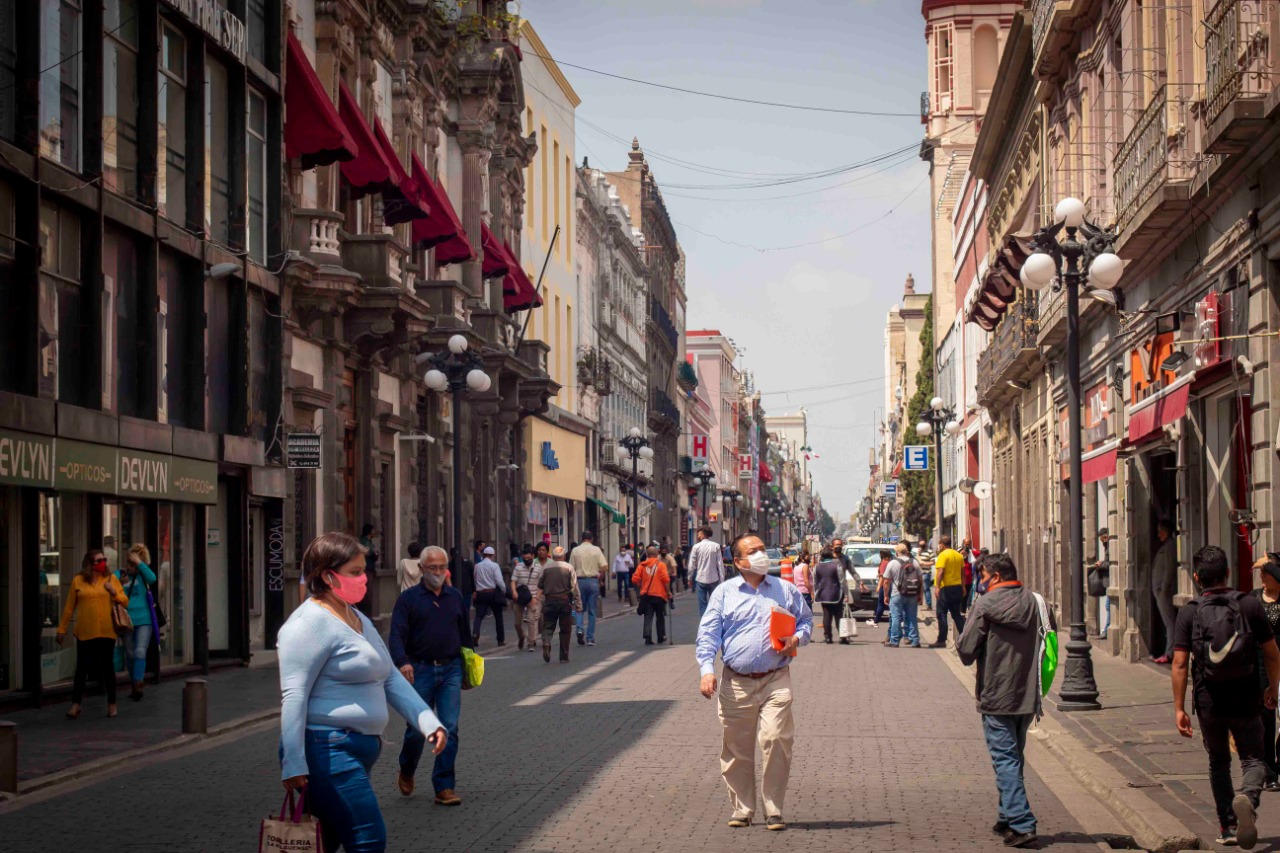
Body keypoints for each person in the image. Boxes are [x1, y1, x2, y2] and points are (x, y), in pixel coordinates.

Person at [278, 532, 447, 853]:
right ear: (327, 575)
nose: (364, 578)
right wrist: (293, 762)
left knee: (326, 840)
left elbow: (391, 678)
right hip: (328, 750)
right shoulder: (307, 625)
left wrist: (428, 722)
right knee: (368, 838)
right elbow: (294, 695)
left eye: (363, 570)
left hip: (356, 750)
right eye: (354, 572)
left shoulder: (355, 617)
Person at [695, 534, 813, 832]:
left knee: (776, 739)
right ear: (738, 562)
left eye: (762, 549)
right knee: (737, 749)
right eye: (754, 551)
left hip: (776, 678)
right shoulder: (724, 593)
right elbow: (708, 635)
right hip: (736, 682)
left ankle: (774, 809)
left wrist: (797, 638)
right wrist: (707, 670)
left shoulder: (785, 590)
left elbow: (806, 621)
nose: (762, 555)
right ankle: (743, 808)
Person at [1173, 545, 1280, 849]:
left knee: (1218, 761)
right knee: (1253, 758)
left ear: (1196, 577)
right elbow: (1272, 653)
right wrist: (1272, 688)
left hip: (1209, 700)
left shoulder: (1190, 612)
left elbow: (1179, 663)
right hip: (1246, 696)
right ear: (1228, 572)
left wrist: (1179, 708)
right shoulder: (1250, 605)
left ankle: (1229, 827)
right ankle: (1248, 796)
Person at [956, 553, 1050, 849]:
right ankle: (1006, 816)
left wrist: (964, 633)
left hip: (997, 693)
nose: (981, 582)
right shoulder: (1036, 602)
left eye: (983, 577)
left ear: (995, 576)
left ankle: (1022, 823)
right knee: (1013, 757)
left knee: (1005, 759)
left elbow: (966, 651)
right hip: (1027, 693)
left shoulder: (985, 604)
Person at [390, 545, 472, 807]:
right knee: (417, 730)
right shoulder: (408, 599)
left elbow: (465, 635)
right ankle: (407, 768)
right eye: (432, 567)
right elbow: (396, 635)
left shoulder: (454, 597)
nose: (437, 572)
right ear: (421, 568)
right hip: (420, 670)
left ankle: (444, 786)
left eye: (441, 567)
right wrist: (402, 662)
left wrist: (468, 668)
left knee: (449, 727)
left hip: (451, 669)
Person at [57, 549, 130, 719]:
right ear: (90, 564)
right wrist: (61, 629)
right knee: (82, 668)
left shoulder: (111, 579)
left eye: (104, 560)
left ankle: (112, 703)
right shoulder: (78, 581)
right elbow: (69, 607)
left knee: (107, 667)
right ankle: (76, 704)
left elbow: (125, 601)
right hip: (85, 631)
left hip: (106, 630)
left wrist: (114, 592)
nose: (103, 563)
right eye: (99, 560)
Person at [1250, 554, 1280, 791]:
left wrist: (1268, 563)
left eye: (1266, 573)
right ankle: (1269, 772)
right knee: (1266, 721)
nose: (1262, 576)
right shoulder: (1253, 599)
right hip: (1261, 667)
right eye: (1261, 573)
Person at [118, 544, 158, 701]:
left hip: (144, 619)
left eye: (132, 564)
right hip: (126, 620)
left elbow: (153, 578)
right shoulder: (121, 575)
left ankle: (138, 683)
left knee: (140, 651)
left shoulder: (143, 576)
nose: (129, 567)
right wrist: (120, 582)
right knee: (129, 654)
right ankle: (134, 682)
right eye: (128, 563)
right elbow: (111, 584)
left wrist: (139, 563)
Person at [538, 546, 582, 662]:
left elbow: (540, 584)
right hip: (564, 601)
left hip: (549, 601)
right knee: (565, 629)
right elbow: (574, 588)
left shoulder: (546, 567)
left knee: (548, 626)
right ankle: (564, 656)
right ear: (564, 556)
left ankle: (546, 642)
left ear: (553, 556)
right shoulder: (569, 568)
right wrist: (578, 604)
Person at [570, 531, 608, 646]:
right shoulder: (597, 550)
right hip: (593, 581)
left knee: (579, 608)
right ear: (592, 539)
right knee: (592, 611)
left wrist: (572, 584)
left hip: (579, 581)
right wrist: (599, 580)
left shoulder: (575, 550)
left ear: (582, 538)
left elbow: (571, 568)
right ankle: (590, 638)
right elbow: (604, 567)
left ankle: (579, 628)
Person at [884, 543, 924, 648]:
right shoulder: (914, 562)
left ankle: (894, 640)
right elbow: (921, 580)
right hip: (912, 593)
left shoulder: (893, 563)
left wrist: (886, 595)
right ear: (907, 551)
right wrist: (920, 595)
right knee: (912, 617)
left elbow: (886, 581)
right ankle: (914, 640)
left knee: (896, 618)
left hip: (897, 594)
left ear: (897, 552)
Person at [931, 535, 968, 649]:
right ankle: (965, 639)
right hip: (957, 588)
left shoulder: (943, 555)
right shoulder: (958, 555)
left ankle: (942, 640)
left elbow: (941, 572)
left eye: (939, 544)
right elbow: (963, 573)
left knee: (941, 613)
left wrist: (937, 587)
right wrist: (963, 586)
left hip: (945, 588)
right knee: (956, 614)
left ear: (942, 544)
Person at [634, 545, 672, 645]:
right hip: (659, 595)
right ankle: (660, 636)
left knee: (648, 616)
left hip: (646, 595)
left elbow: (635, 579)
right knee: (660, 616)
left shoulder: (642, 566)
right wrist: (668, 591)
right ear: (657, 554)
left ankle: (647, 637)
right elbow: (666, 579)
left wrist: (641, 586)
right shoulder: (661, 565)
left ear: (647, 554)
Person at [470, 546, 506, 647]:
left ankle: (475, 634)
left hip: (481, 593)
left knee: (478, 616)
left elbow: (475, 578)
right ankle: (500, 640)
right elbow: (499, 581)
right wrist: (504, 590)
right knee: (498, 617)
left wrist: (476, 589)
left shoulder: (477, 566)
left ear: (484, 554)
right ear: (493, 555)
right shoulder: (494, 566)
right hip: (492, 593)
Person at [1151, 522, 1176, 663]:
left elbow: (1170, 569)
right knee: (1168, 623)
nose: (1158, 534)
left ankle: (1169, 653)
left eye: (1160, 531)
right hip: (1160, 591)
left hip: (1164, 592)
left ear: (1166, 531)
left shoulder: (1170, 546)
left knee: (1169, 623)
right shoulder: (1166, 546)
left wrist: (1164, 589)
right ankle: (1168, 652)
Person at [511, 545, 544, 652]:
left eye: (529, 558)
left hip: (532, 598)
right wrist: (514, 591)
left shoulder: (538, 568)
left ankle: (531, 642)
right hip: (519, 598)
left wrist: (536, 598)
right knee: (517, 623)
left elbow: (541, 586)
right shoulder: (518, 567)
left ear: (533, 556)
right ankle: (521, 636)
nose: (527, 560)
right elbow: (513, 581)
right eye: (525, 558)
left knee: (531, 620)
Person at [689, 526, 725, 617]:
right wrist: (722, 580)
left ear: (703, 534)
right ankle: (714, 620)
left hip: (701, 578)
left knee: (702, 605)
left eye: (699, 533)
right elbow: (720, 564)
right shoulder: (716, 546)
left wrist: (689, 577)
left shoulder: (696, 547)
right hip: (714, 578)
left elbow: (691, 565)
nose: (698, 535)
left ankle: (704, 621)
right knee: (715, 603)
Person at [812, 548, 845, 644]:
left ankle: (828, 637)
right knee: (838, 615)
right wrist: (845, 593)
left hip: (823, 595)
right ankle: (842, 637)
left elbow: (815, 581)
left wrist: (816, 591)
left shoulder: (817, 567)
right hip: (836, 594)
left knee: (827, 615)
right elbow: (842, 581)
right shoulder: (836, 566)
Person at [1087, 528, 1112, 640]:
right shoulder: (1108, 546)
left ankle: (1106, 631)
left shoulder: (1111, 546)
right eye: (1102, 540)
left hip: (1111, 581)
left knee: (1108, 606)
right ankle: (1106, 630)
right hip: (1108, 582)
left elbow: (1110, 564)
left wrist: (1100, 565)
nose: (1103, 541)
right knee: (1108, 606)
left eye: (1104, 538)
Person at [867, 549, 892, 627]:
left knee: (881, 604)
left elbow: (882, 577)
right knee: (889, 604)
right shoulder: (890, 562)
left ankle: (876, 621)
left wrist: (878, 586)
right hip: (891, 585)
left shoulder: (884, 563)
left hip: (885, 585)